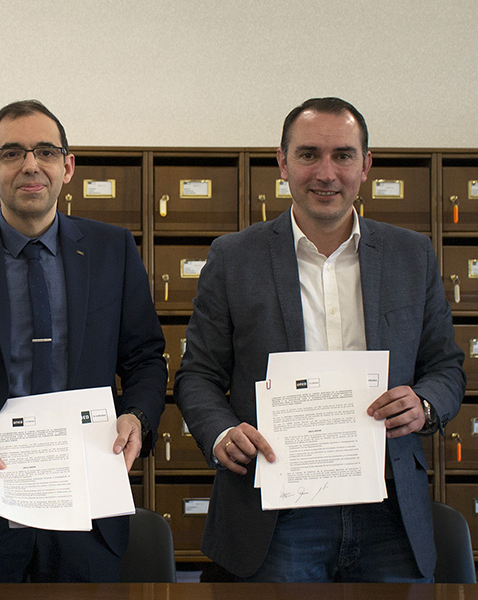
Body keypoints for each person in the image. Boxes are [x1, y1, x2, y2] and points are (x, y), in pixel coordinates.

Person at [175, 97, 465, 582]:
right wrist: (222, 432)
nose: (326, 173)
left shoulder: (412, 255)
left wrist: (425, 404)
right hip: (275, 509)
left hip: (388, 508)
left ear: (365, 165)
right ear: (283, 163)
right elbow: (198, 375)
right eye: (308, 154)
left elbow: (446, 366)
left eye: (343, 156)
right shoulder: (233, 257)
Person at [0, 99, 167, 582]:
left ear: (68, 167)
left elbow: (146, 358)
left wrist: (138, 417)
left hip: (86, 505)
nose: (30, 165)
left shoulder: (113, 249)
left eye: (46, 152)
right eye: (12, 153)